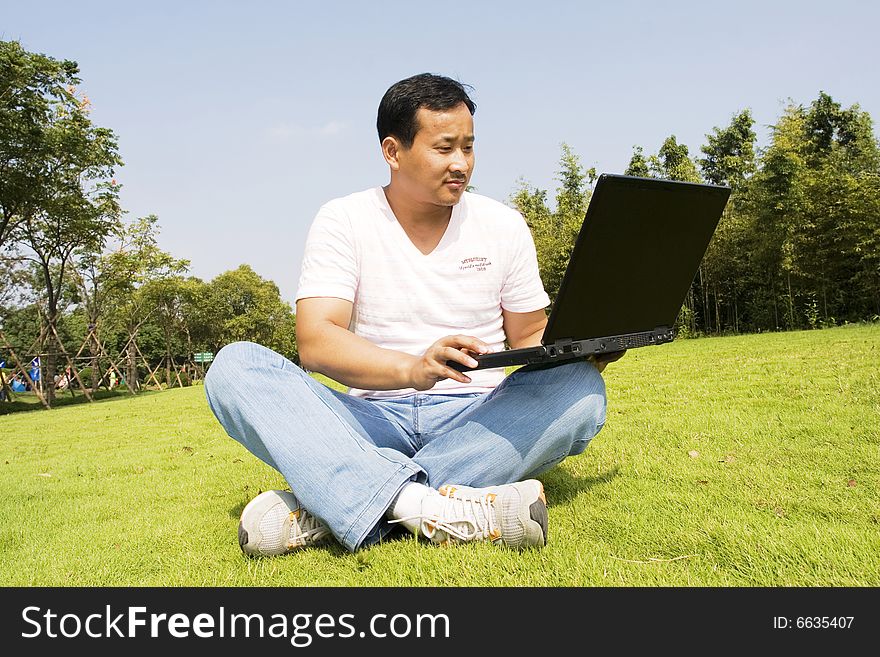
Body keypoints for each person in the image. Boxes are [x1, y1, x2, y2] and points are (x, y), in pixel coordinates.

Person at [205, 73, 624, 556]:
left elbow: (529, 332)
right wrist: (412, 368)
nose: (461, 164)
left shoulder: (503, 225)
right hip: (371, 418)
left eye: (468, 147)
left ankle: (346, 498)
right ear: (393, 151)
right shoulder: (344, 220)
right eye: (444, 148)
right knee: (235, 368)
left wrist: (586, 340)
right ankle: (430, 508)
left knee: (581, 391)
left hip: (478, 417)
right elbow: (317, 341)